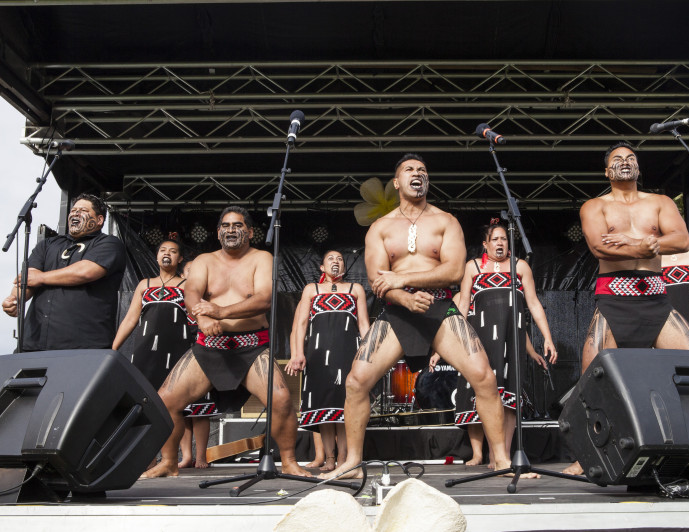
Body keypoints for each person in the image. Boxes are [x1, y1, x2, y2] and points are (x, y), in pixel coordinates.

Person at [323, 154, 537, 480]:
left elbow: (452, 270)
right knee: (356, 382)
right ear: (397, 182)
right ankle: (352, 460)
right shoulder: (380, 228)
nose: (417, 173)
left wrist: (409, 284)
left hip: (439, 307)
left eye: (422, 170)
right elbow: (379, 281)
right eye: (409, 169)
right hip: (397, 310)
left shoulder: (445, 221)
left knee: (484, 377)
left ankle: (502, 461)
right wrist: (405, 297)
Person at [564, 141, 689, 475]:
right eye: (617, 159)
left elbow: (682, 241)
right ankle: (584, 458)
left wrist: (630, 243)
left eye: (631, 158)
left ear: (638, 168)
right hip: (615, 299)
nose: (625, 163)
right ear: (607, 170)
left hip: (656, 298)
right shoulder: (594, 206)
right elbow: (600, 247)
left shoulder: (660, 202)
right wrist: (648, 246)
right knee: (593, 378)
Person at [140, 206, 308, 478]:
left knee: (281, 398)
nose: (232, 229)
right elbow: (192, 292)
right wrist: (202, 318)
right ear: (218, 232)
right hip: (209, 345)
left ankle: (288, 461)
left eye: (238, 225)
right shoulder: (205, 260)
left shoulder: (261, 258)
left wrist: (219, 312)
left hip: (251, 346)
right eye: (226, 225)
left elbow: (264, 299)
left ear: (250, 232)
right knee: (166, 400)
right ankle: (169, 461)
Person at [453, 220, 557, 467]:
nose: (500, 243)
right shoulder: (473, 267)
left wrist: (548, 338)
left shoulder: (520, 266)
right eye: (495, 239)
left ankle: (503, 455)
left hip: (511, 341)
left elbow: (533, 305)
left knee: (508, 397)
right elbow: (463, 304)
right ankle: (479, 453)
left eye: (504, 239)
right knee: (477, 391)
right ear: (485, 244)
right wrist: (448, 340)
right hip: (479, 339)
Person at [112, 239, 214, 469]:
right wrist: (113, 348)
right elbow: (130, 319)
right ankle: (149, 458)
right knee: (146, 404)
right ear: (157, 256)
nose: (167, 254)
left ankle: (191, 457)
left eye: (173, 251)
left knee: (182, 406)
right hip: (145, 352)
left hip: (178, 350)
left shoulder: (187, 285)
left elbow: (198, 315)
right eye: (162, 250)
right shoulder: (143, 284)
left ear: (179, 259)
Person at [3, 193, 125, 351]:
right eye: (73, 210)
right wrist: (15, 299)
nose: (75, 213)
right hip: (34, 343)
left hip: (83, 345)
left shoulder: (108, 243)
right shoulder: (47, 245)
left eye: (83, 210)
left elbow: (85, 272)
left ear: (99, 220)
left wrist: (41, 278)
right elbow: (29, 278)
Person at [286, 250, 370, 472]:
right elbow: (301, 325)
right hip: (317, 354)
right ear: (322, 267)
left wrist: (370, 353)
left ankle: (344, 459)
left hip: (347, 353)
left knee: (344, 408)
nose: (336, 261)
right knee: (324, 407)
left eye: (340, 258)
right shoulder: (311, 290)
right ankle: (330, 458)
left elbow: (363, 325)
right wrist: (297, 353)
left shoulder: (356, 289)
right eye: (331, 258)